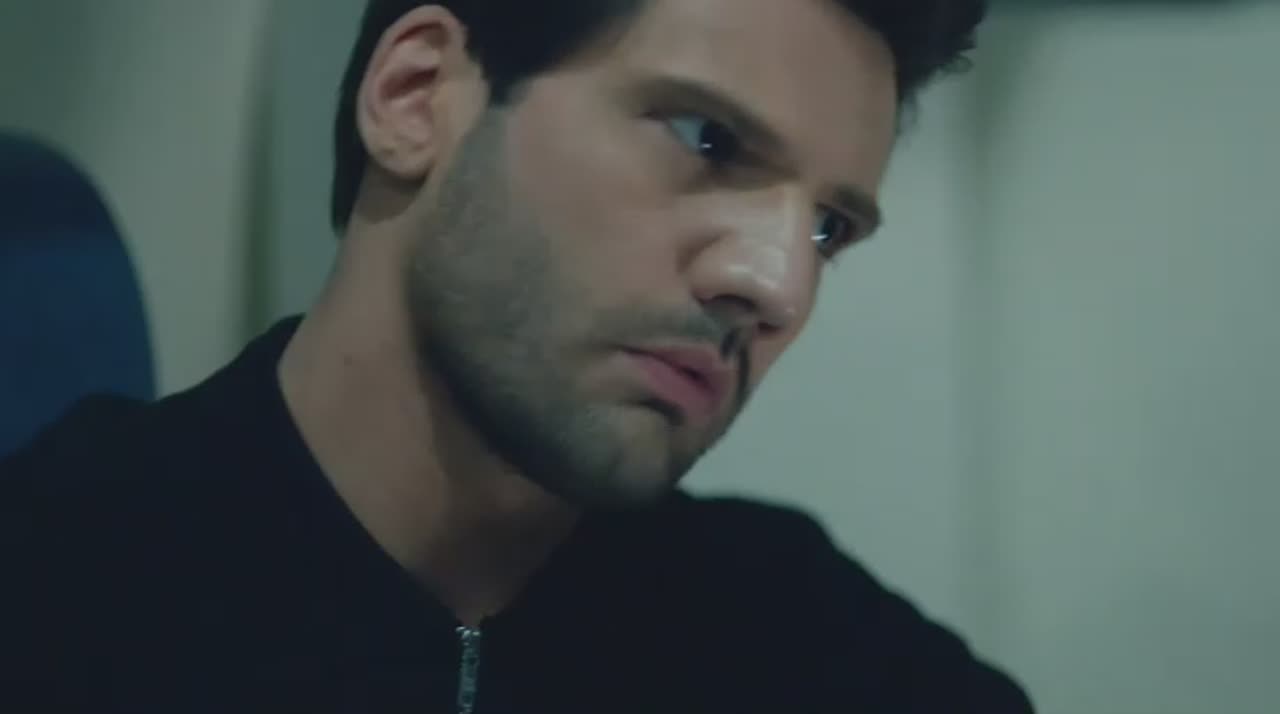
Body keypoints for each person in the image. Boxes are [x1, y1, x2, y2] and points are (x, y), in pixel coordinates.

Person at [0, 0, 1034, 711]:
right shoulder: (52, 596)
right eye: (706, 138)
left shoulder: (804, 641)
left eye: (825, 229)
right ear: (415, 96)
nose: (777, 287)